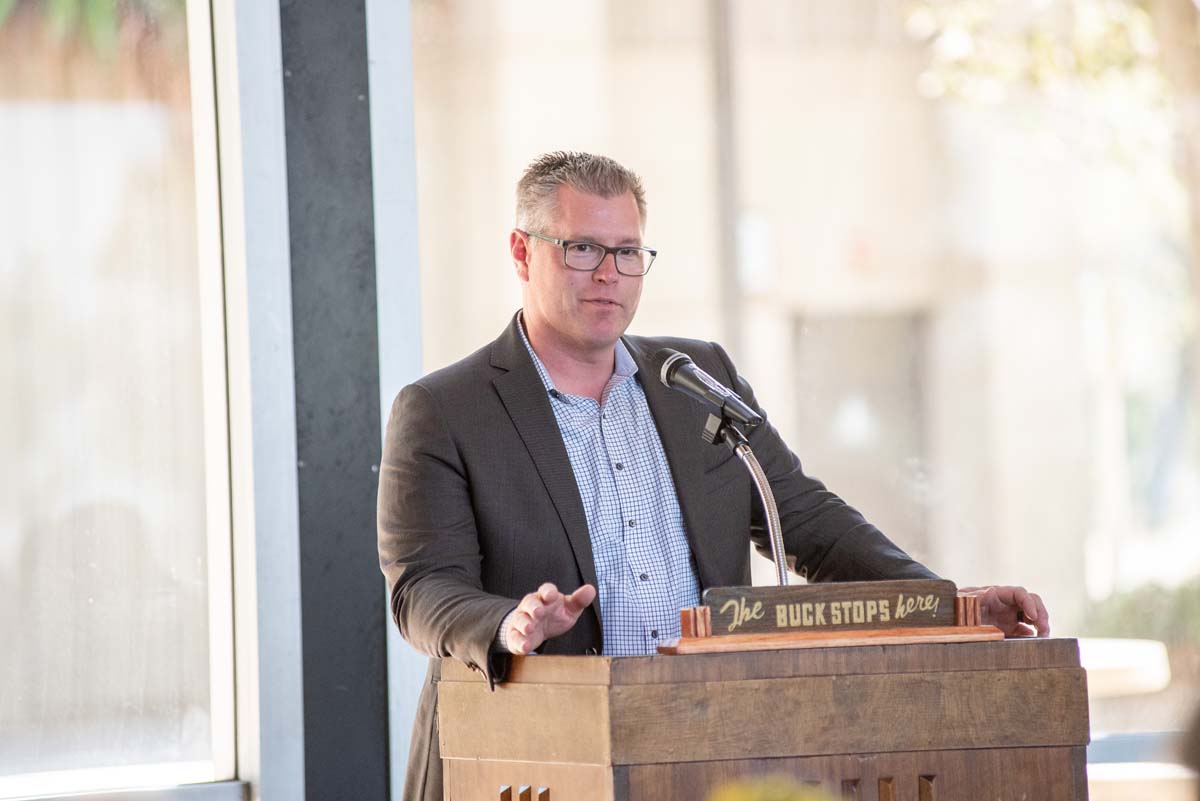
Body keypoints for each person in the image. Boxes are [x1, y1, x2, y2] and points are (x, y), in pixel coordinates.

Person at [376, 151, 1050, 801]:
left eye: (627, 251)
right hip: (528, 755)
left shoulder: (695, 379)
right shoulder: (445, 409)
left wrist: (947, 607)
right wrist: (508, 623)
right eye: (582, 248)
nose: (608, 273)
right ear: (523, 252)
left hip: (702, 746)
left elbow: (804, 519)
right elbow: (422, 587)